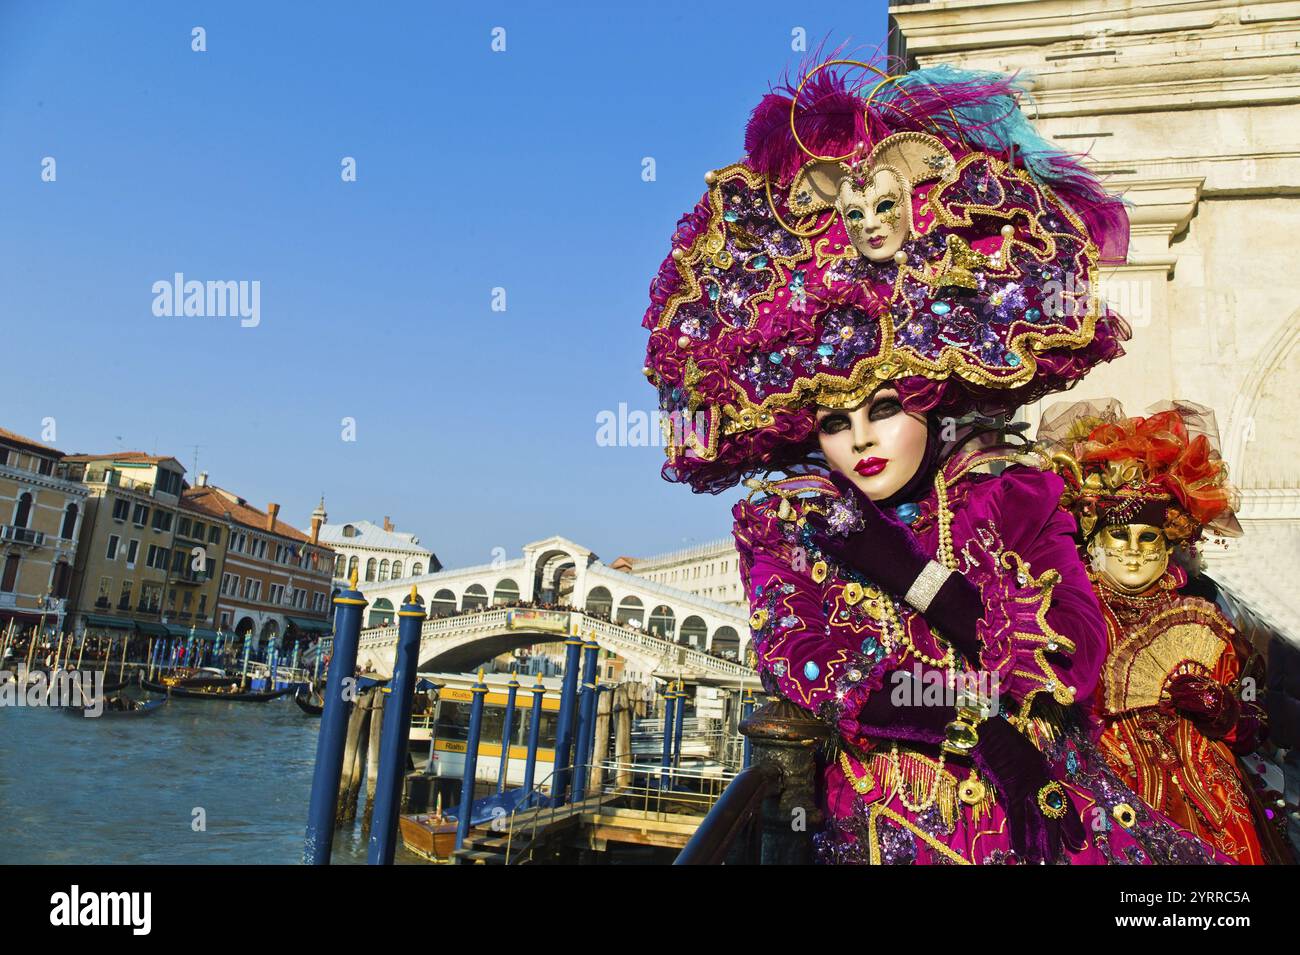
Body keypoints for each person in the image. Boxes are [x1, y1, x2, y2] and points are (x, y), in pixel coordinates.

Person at [639, 57, 1223, 864]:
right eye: (837, 422)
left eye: (884, 409)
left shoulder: (1010, 492)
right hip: (885, 826)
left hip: (1038, 814)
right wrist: (975, 726)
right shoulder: (791, 520)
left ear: (928, 397)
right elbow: (819, 668)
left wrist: (909, 573)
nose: (862, 442)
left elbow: (1075, 652)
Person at [1037, 399, 1280, 864]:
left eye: (1148, 538)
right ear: (1091, 540)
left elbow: (1256, 727)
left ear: (1171, 543)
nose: (1133, 552)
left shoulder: (1203, 614)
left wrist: (1222, 711)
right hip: (1103, 793)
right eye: (1118, 537)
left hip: (1210, 803)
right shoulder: (1065, 615)